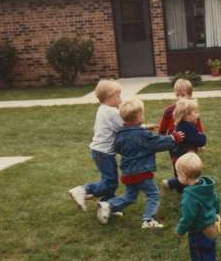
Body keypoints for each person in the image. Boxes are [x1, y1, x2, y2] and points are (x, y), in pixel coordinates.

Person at [97, 97, 184, 228]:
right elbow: (157, 143)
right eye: (142, 113)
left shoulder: (120, 134)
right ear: (138, 116)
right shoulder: (143, 135)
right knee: (153, 194)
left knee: (130, 196)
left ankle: (108, 205)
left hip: (127, 172)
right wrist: (174, 138)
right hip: (141, 171)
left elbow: (118, 147)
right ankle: (148, 220)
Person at [68, 79, 123, 211]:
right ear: (109, 97)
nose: (120, 99)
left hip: (99, 150)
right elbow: (125, 127)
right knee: (111, 182)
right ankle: (83, 190)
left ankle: (106, 207)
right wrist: (142, 127)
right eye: (118, 96)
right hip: (104, 153)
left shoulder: (103, 109)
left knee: (108, 180)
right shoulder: (111, 112)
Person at [175, 152, 221, 261]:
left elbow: (188, 217)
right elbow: (215, 200)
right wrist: (216, 211)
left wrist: (181, 229)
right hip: (211, 224)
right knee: (207, 247)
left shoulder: (189, 196)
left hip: (198, 228)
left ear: (183, 177)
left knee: (200, 249)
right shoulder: (206, 185)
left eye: (178, 173)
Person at [162, 99, 207, 192]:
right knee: (189, 175)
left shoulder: (180, 125)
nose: (198, 115)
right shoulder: (188, 127)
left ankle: (179, 189)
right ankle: (170, 183)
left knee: (181, 174)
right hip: (185, 157)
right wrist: (202, 136)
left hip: (176, 155)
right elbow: (200, 140)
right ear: (187, 115)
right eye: (195, 112)